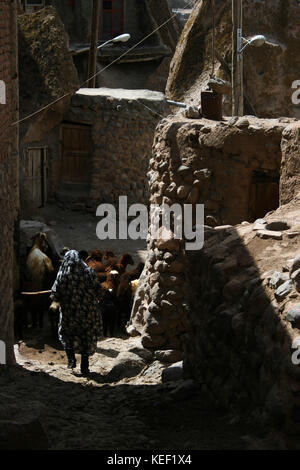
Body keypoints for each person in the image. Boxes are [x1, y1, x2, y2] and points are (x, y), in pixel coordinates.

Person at [50, 250, 103, 375]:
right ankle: (85, 366)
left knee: (67, 333)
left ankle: (71, 360)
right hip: (87, 313)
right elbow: (97, 288)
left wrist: (57, 298)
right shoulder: (88, 272)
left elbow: (55, 292)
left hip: (70, 313)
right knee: (86, 336)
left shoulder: (63, 273)